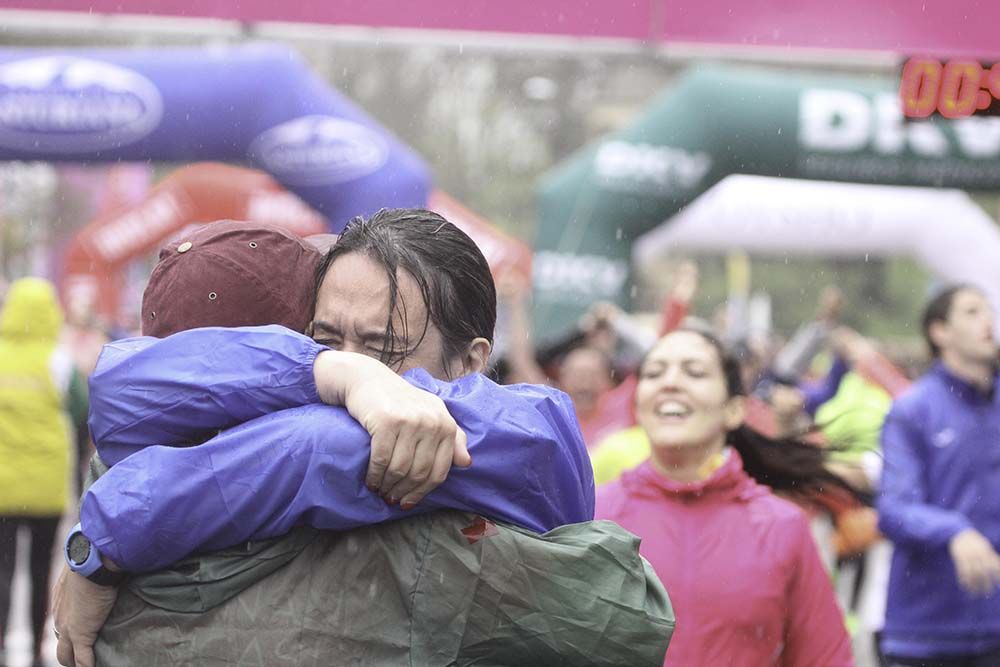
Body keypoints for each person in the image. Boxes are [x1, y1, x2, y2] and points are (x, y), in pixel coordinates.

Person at [55, 214, 673, 666]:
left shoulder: (123, 483)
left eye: (382, 349)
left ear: (471, 362)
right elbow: (630, 613)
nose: (358, 376)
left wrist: (101, 546)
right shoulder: (430, 546)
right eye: (320, 341)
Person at [595, 326, 855, 665]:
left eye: (695, 372)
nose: (670, 382)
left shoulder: (781, 526)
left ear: (734, 410)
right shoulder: (595, 515)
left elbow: (825, 657)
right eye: (654, 372)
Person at [877, 284, 1000, 666]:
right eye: (971, 312)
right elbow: (894, 509)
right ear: (939, 332)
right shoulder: (913, 410)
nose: (988, 322)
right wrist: (954, 531)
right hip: (927, 633)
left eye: (988, 311)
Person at [0, 278, 77, 667]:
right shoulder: (58, 360)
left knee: (3, 568)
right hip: (45, 486)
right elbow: (80, 409)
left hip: (3, 485)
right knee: (40, 569)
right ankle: (33, 650)